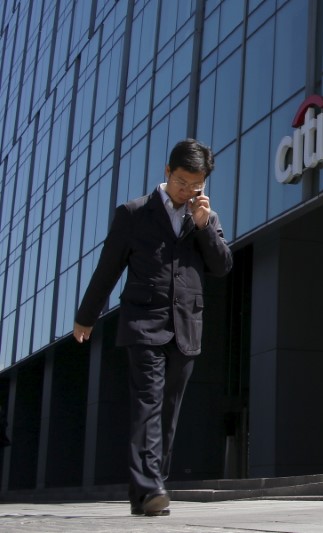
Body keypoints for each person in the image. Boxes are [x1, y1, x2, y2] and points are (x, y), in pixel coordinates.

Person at [73, 139, 233, 517]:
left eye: (196, 185)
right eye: (181, 182)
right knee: (148, 403)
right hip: (144, 323)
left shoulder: (205, 217)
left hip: (186, 328)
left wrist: (204, 226)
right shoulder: (133, 214)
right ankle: (151, 488)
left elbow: (223, 266)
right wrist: (86, 315)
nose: (187, 191)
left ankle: (146, 491)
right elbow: (108, 268)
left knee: (168, 413)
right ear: (167, 172)